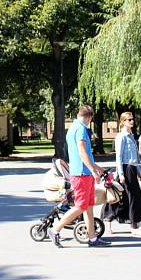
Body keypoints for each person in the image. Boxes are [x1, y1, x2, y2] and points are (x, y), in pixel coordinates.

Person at [48, 105, 110, 248]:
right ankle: (55, 229)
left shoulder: (73, 127)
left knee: (88, 206)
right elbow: (82, 153)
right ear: (89, 117)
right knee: (81, 206)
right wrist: (93, 171)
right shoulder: (81, 129)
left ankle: (93, 238)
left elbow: (84, 154)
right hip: (81, 174)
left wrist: (98, 168)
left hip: (84, 173)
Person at [103, 112, 141, 236]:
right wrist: (121, 173)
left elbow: (134, 157)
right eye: (129, 120)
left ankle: (133, 224)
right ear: (123, 122)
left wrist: (138, 171)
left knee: (129, 197)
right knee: (122, 196)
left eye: (132, 119)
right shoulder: (121, 136)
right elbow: (118, 156)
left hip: (132, 169)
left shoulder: (131, 136)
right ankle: (128, 225)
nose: (132, 121)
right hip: (125, 169)